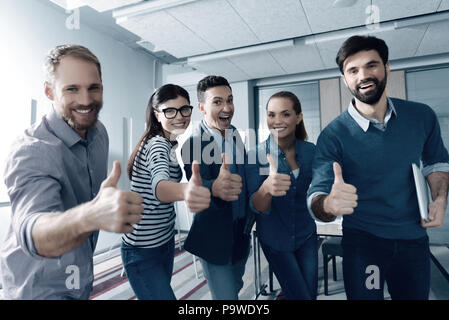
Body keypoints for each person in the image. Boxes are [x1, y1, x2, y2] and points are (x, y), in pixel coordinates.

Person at [308, 35, 449, 300]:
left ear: (387, 67)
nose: (363, 75)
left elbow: (436, 162)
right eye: (353, 70)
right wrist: (328, 205)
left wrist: (440, 198)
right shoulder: (333, 135)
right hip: (364, 244)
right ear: (344, 79)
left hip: (413, 239)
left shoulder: (421, 116)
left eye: (371, 65)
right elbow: (317, 194)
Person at [1, 45, 144, 299]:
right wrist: (92, 215)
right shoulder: (32, 150)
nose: (86, 100)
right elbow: (34, 232)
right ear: (49, 91)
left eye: (93, 88)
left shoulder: (99, 133)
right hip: (37, 287)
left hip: (81, 276)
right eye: (72, 89)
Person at [121, 84, 211, 300]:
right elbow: (160, 187)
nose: (179, 116)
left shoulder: (170, 143)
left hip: (163, 241)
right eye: (170, 110)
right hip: (142, 250)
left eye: (184, 109)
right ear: (156, 114)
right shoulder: (158, 145)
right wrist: (189, 191)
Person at [180, 75, 253, 300]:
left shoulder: (235, 136)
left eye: (230, 100)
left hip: (241, 232)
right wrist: (214, 187)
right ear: (202, 107)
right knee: (227, 298)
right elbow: (197, 184)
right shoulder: (193, 144)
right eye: (218, 101)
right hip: (214, 237)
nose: (227, 107)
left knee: (236, 284)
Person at [246, 91, 318, 299]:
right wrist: (266, 188)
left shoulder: (310, 151)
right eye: (271, 115)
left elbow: (321, 186)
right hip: (276, 239)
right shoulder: (255, 155)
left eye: (285, 114)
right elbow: (256, 206)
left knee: (310, 294)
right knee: (301, 296)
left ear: (298, 117)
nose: (277, 121)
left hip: (306, 234)